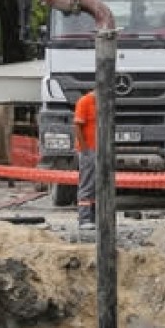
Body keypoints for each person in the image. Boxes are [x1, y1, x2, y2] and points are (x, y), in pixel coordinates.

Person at [73, 89, 98, 230]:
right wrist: (84, 149)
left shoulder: (103, 103)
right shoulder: (85, 102)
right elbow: (77, 126)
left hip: (99, 150)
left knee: (96, 184)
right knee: (87, 183)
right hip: (89, 150)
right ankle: (84, 218)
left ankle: (93, 217)